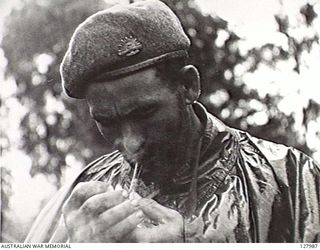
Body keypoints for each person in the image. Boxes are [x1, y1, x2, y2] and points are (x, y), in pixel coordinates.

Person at [25, 0, 320, 243]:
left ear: (189, 85)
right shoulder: (85, 193)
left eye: (144, 113)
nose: (131, 143)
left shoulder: (290, 180)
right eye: (107, 121)